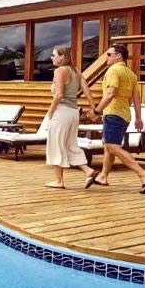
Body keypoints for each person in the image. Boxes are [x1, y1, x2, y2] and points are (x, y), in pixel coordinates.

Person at [91, 44, 145, 193]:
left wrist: (96, 110)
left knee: (113, 147)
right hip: (125, 115)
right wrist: (138, 118)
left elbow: (110, 93)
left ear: (118, 56)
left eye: (108, 54)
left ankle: (143, 174)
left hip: (113, 114)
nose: (106, 57)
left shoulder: (113, 70)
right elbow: (136, 99)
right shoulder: (131, 74)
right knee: (109, 147)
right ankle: (103, 176)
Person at [43, 46, 99, 189]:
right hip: (74, 112)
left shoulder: (60, 71)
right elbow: (86, 89)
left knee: (56, 144)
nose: (52, 57)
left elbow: (59, 95)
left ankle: (58, 181)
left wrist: (50, 110)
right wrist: (94, 109)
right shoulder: (76, 71)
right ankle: (88, 171)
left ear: (62, 57)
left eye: (54, 55)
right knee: (69, 145)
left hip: (61, 112)